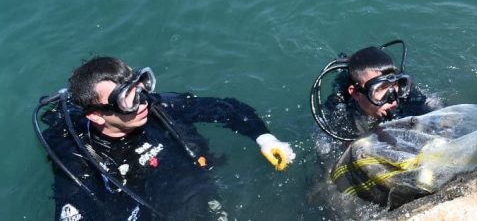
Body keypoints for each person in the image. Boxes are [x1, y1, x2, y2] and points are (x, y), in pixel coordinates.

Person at [38, 56, 295, 221]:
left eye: (139, 87)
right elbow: (73, 209)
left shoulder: (157, 108)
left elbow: (226, 109)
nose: (141, 103)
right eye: (126, 98)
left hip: (193, 194)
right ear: (97, 116)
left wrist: (265, 138)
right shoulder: (77, 154)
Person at [317, 45, 443, 146]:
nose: (393, 100)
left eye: (394, 85)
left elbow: (438, 115)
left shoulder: (404, 93)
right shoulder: (340, 112)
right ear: (355, 93)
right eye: (380, 89)